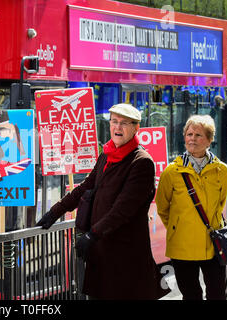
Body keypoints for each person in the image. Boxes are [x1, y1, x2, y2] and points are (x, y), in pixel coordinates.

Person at [37, 103, 169, 300]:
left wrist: (92, 235)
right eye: (114, 122)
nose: (117, 127)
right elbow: (85, 187)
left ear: (136, 128)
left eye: (124, 123)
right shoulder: (107, 154)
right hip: (103, 250)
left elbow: (123, 210)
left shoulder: (141, 161)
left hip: (125, 254)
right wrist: (55, 212)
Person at [155, 114, 227, 300]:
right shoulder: (171, 172)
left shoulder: (221, 170)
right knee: (191, 295)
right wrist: (178, 226)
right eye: (189, 134)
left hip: (213, 244)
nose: (192, 139)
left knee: (218, 294)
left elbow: (220, 203)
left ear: (209, 140)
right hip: (182, 245)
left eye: (198, 135)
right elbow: (162, 207)